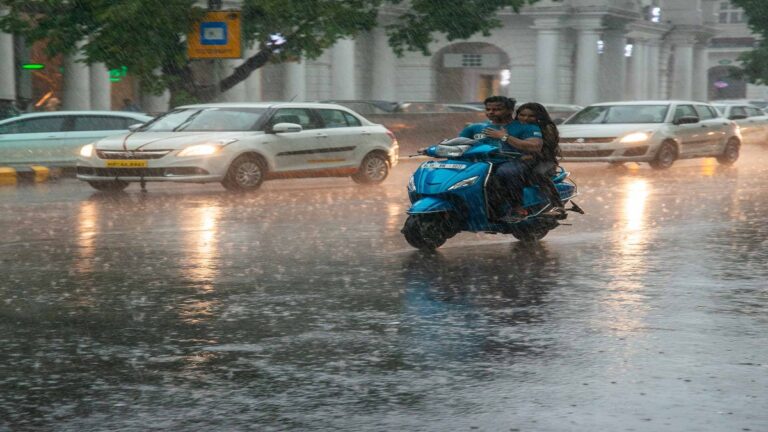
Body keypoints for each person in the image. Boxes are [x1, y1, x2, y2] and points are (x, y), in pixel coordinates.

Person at [458, 95, 543, 222]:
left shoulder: (526, 127)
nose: (491, 112)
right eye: (488, 109)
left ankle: (517, 208)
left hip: (514, 162)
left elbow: (534, 146)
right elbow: (457, 143)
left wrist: (504, 137)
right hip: (481, 163)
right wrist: (432, 148)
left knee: (506, 172)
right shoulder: (474, 128)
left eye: (496, 109)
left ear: (510, 110)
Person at [515, 102, 565, 215]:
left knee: (539, 175)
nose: (525, 118)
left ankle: (557, 205)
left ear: (539, 117)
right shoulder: (513, 126)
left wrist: (532, 155)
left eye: (531, 116)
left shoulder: (547, 128)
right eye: (522, 115)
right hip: (517, 160)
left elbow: (548, 147)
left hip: (544, 161)